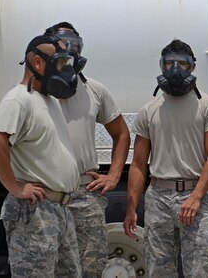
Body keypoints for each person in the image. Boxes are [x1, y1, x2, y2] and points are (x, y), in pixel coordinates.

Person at [123, 39, 208, 277]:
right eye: (170, 63)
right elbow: (138, 165)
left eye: (183, 63)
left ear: (193, 67)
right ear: (162, 66)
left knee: (204, 268)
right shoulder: (149, 111)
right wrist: (131, 208)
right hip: (158, 197)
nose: (176, 69)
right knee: (158, 270)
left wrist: (196, 197)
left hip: (194, 196)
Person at [0, 35, 81, 277]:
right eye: (60, 64)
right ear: (38, 63)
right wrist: (16, 187)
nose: (65, 71)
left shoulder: (47, 100)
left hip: (59, 209)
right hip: (35, 212)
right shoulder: (19, 99)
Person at [44, 21, 131, 277]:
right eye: (63, 45)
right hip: (44, 197)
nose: (70, 51)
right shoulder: (35, 91)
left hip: (84, 194)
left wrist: (114, 175)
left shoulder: (94, 90)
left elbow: (122, 133)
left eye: (75, 45)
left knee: (90, 269)